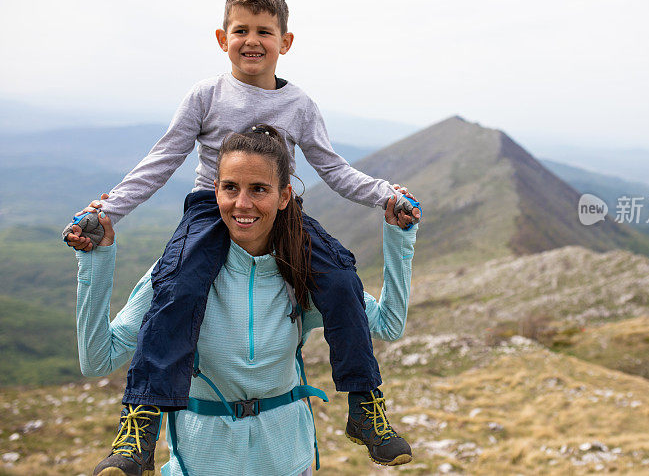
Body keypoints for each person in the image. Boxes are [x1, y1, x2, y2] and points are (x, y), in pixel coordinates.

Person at [64, 0, 422, 474]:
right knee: (178, 289)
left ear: (286, 41)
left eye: (264, 31)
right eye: (241, 30)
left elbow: (333, 168)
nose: (251, 40)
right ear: (221, 37)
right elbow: (162, 160)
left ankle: (365, 406)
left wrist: (386, 195)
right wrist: (109, 211)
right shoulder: (205, 95)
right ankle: (141, 422)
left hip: (283, 214)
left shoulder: (299, 105)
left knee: (340, 279)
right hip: (211, 212)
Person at [73, 125, 419, 476]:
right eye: (230, 188)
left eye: (259, 190)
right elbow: (98, 360)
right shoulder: (178, 277)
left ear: (284, 196)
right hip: (199, 468)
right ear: (215, 191)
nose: (242, 203)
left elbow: (388, 325)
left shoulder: (309, 273)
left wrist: (398, 236)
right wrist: (96, 260)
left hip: (290, 465)